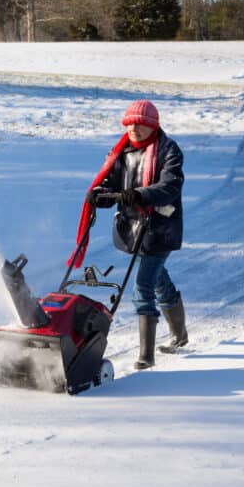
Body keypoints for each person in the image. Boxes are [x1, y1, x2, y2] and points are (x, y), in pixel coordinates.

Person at [85, 99, 187, 370]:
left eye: (139, 124)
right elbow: (112, 182)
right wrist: (100, 196)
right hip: (133, 229)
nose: (133, 129)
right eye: (129, 124)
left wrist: (141, 194)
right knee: (158, 281)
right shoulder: (122, 152)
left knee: (143, 286)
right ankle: (180, 334)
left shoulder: (168, 151)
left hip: (159, 228)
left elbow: (170, 186)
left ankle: (147, 356)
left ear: (152, 126)